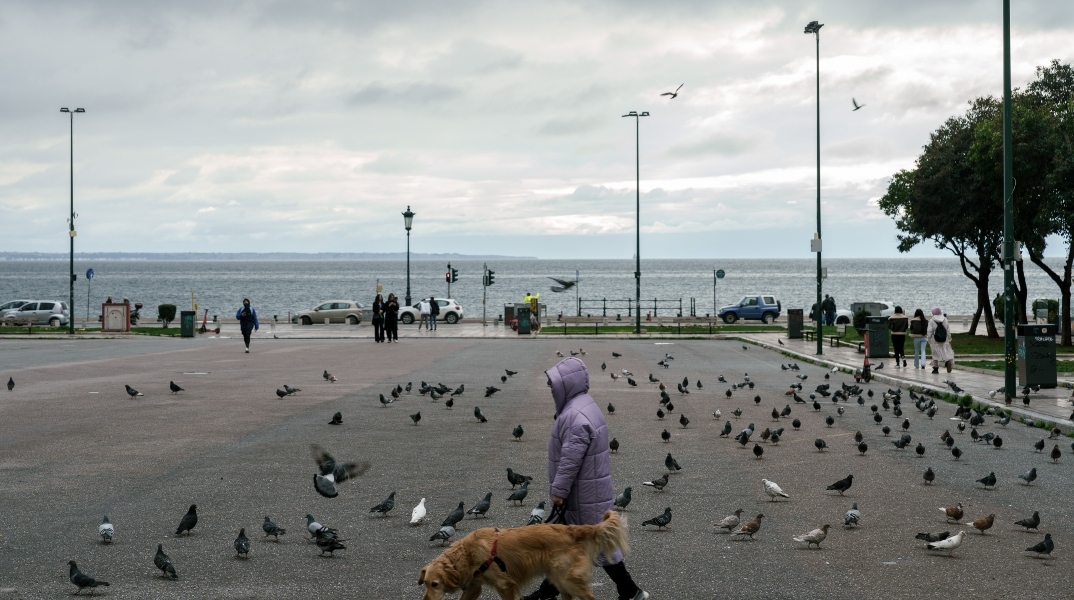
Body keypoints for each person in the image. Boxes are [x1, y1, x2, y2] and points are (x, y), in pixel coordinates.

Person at [523, 357, 648, 600]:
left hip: (581, 495)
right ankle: (549, 593)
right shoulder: (583, 405)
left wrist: (558, 492)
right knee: (572, 546)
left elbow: (570, 460)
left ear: (566, 385)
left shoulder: (575, 415)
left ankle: (631, 591)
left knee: (589, 546)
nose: (551, 389)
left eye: (553, 385)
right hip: (589, 490)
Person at [927, 307, 954, 373]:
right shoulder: (945, 319)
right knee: (943, 352)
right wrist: (949, 337)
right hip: (944, 339)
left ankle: (935, 368)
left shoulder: (932, 320)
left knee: (935, 353)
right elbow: (948, 330)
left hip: (935, 340)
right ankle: (947, 361)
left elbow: (929, 331)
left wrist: (928, 338)